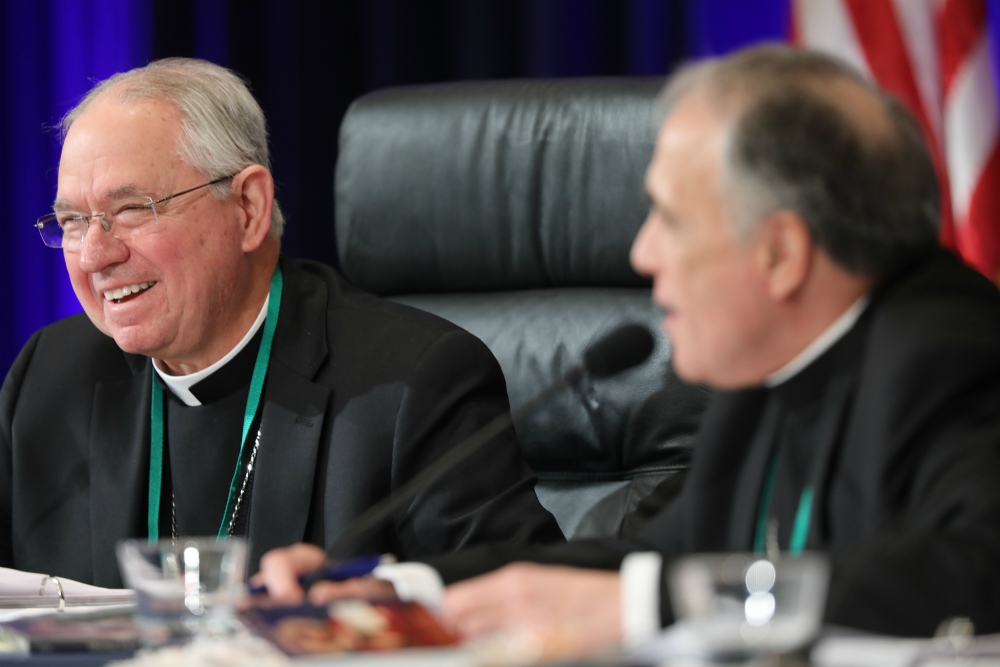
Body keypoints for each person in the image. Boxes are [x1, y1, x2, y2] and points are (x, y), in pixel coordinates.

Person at [258, 45, 1000, 644]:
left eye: (668, 220)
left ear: (781, 254)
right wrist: (399, 589)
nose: (641, 254)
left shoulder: (954, 356)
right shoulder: (765, 374)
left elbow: (973, 572)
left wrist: (650, 606)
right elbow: (647, 558)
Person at [0, 58, 563, 588]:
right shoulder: (49, 378)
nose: (95, 256)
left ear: (248, 207)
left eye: (130, 210)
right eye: (72, 221)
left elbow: (526, 603)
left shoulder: (413, 384)